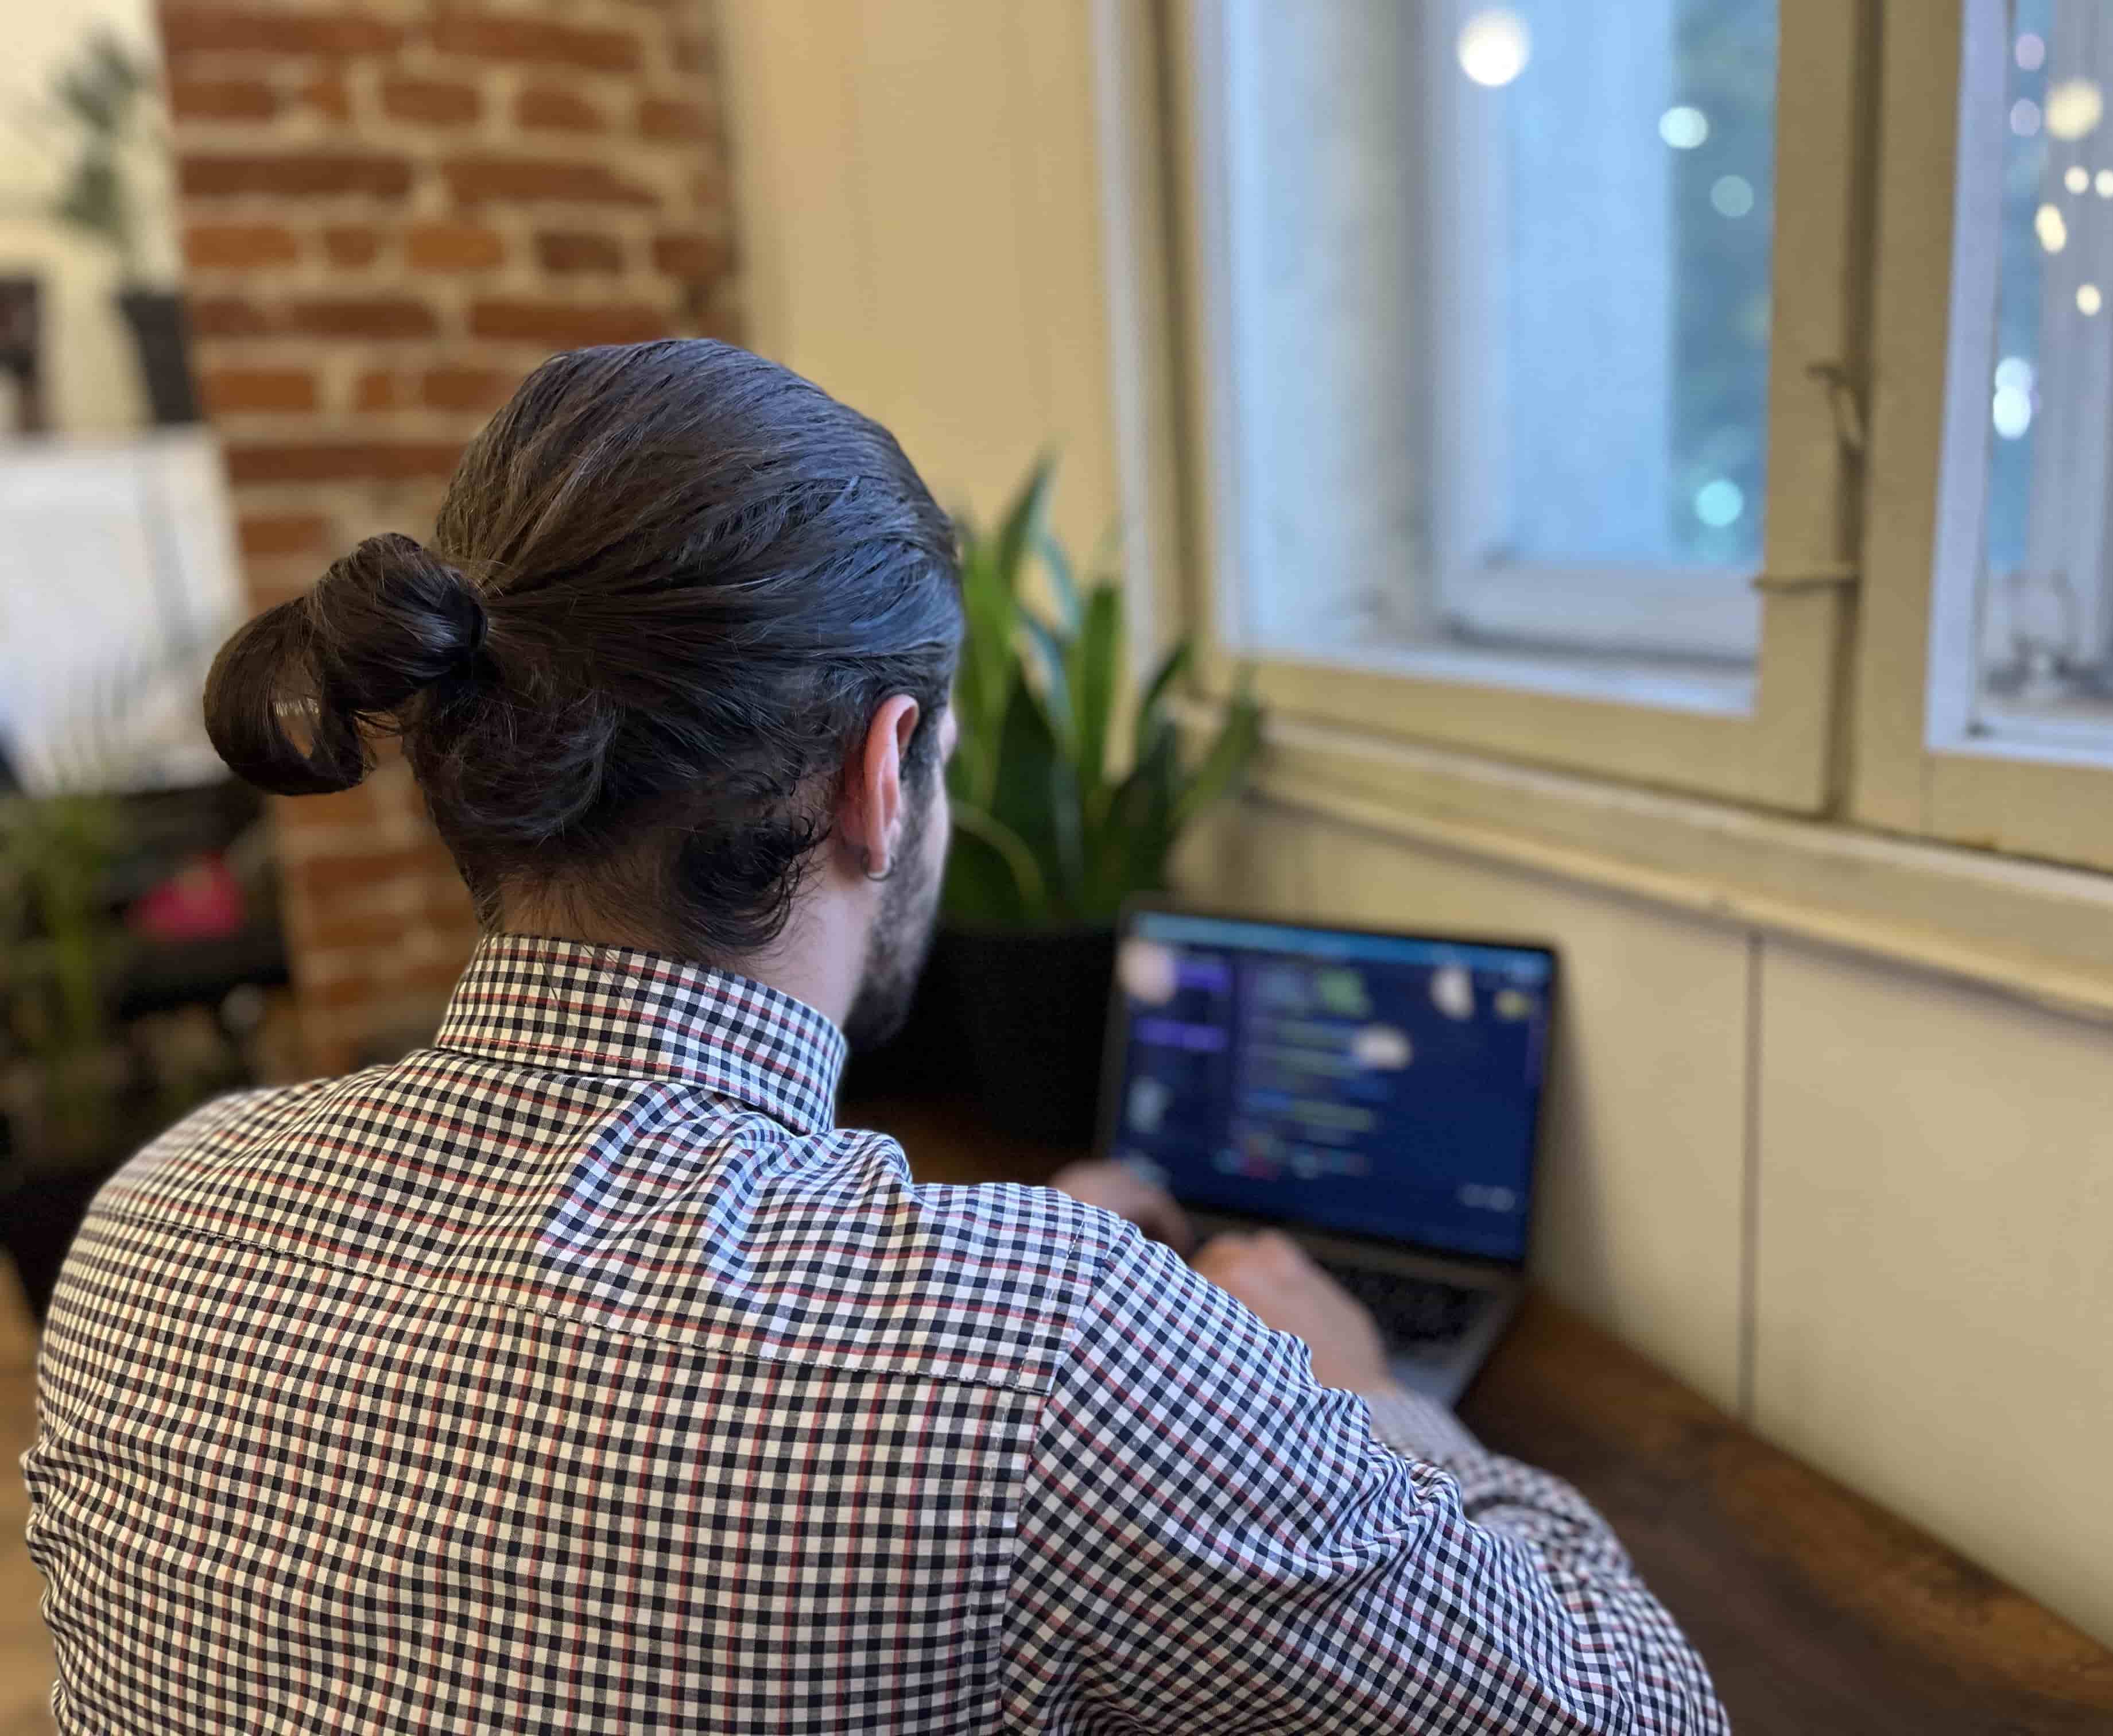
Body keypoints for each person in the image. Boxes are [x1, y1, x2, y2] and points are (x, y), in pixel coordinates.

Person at [23, 339, 1724, 1734]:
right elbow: (1643, 1717)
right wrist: (1355, 1400)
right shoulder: (1046, 1347)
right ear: (882, 770)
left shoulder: (155, 1219)